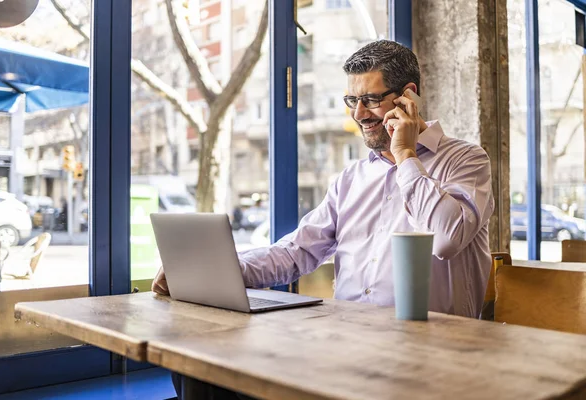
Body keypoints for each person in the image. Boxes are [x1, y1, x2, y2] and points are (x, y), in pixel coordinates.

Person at [153, 39, 494, 398]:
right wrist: (210, 270)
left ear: (408, 96)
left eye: (372, 100)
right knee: (202, 369)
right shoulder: (351, 179)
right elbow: (295, 252)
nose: (359, 114)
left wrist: (406, 154)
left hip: (430, 356)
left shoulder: (466, 161)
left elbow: (448, 238)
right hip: (345, 346)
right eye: (352, 100)